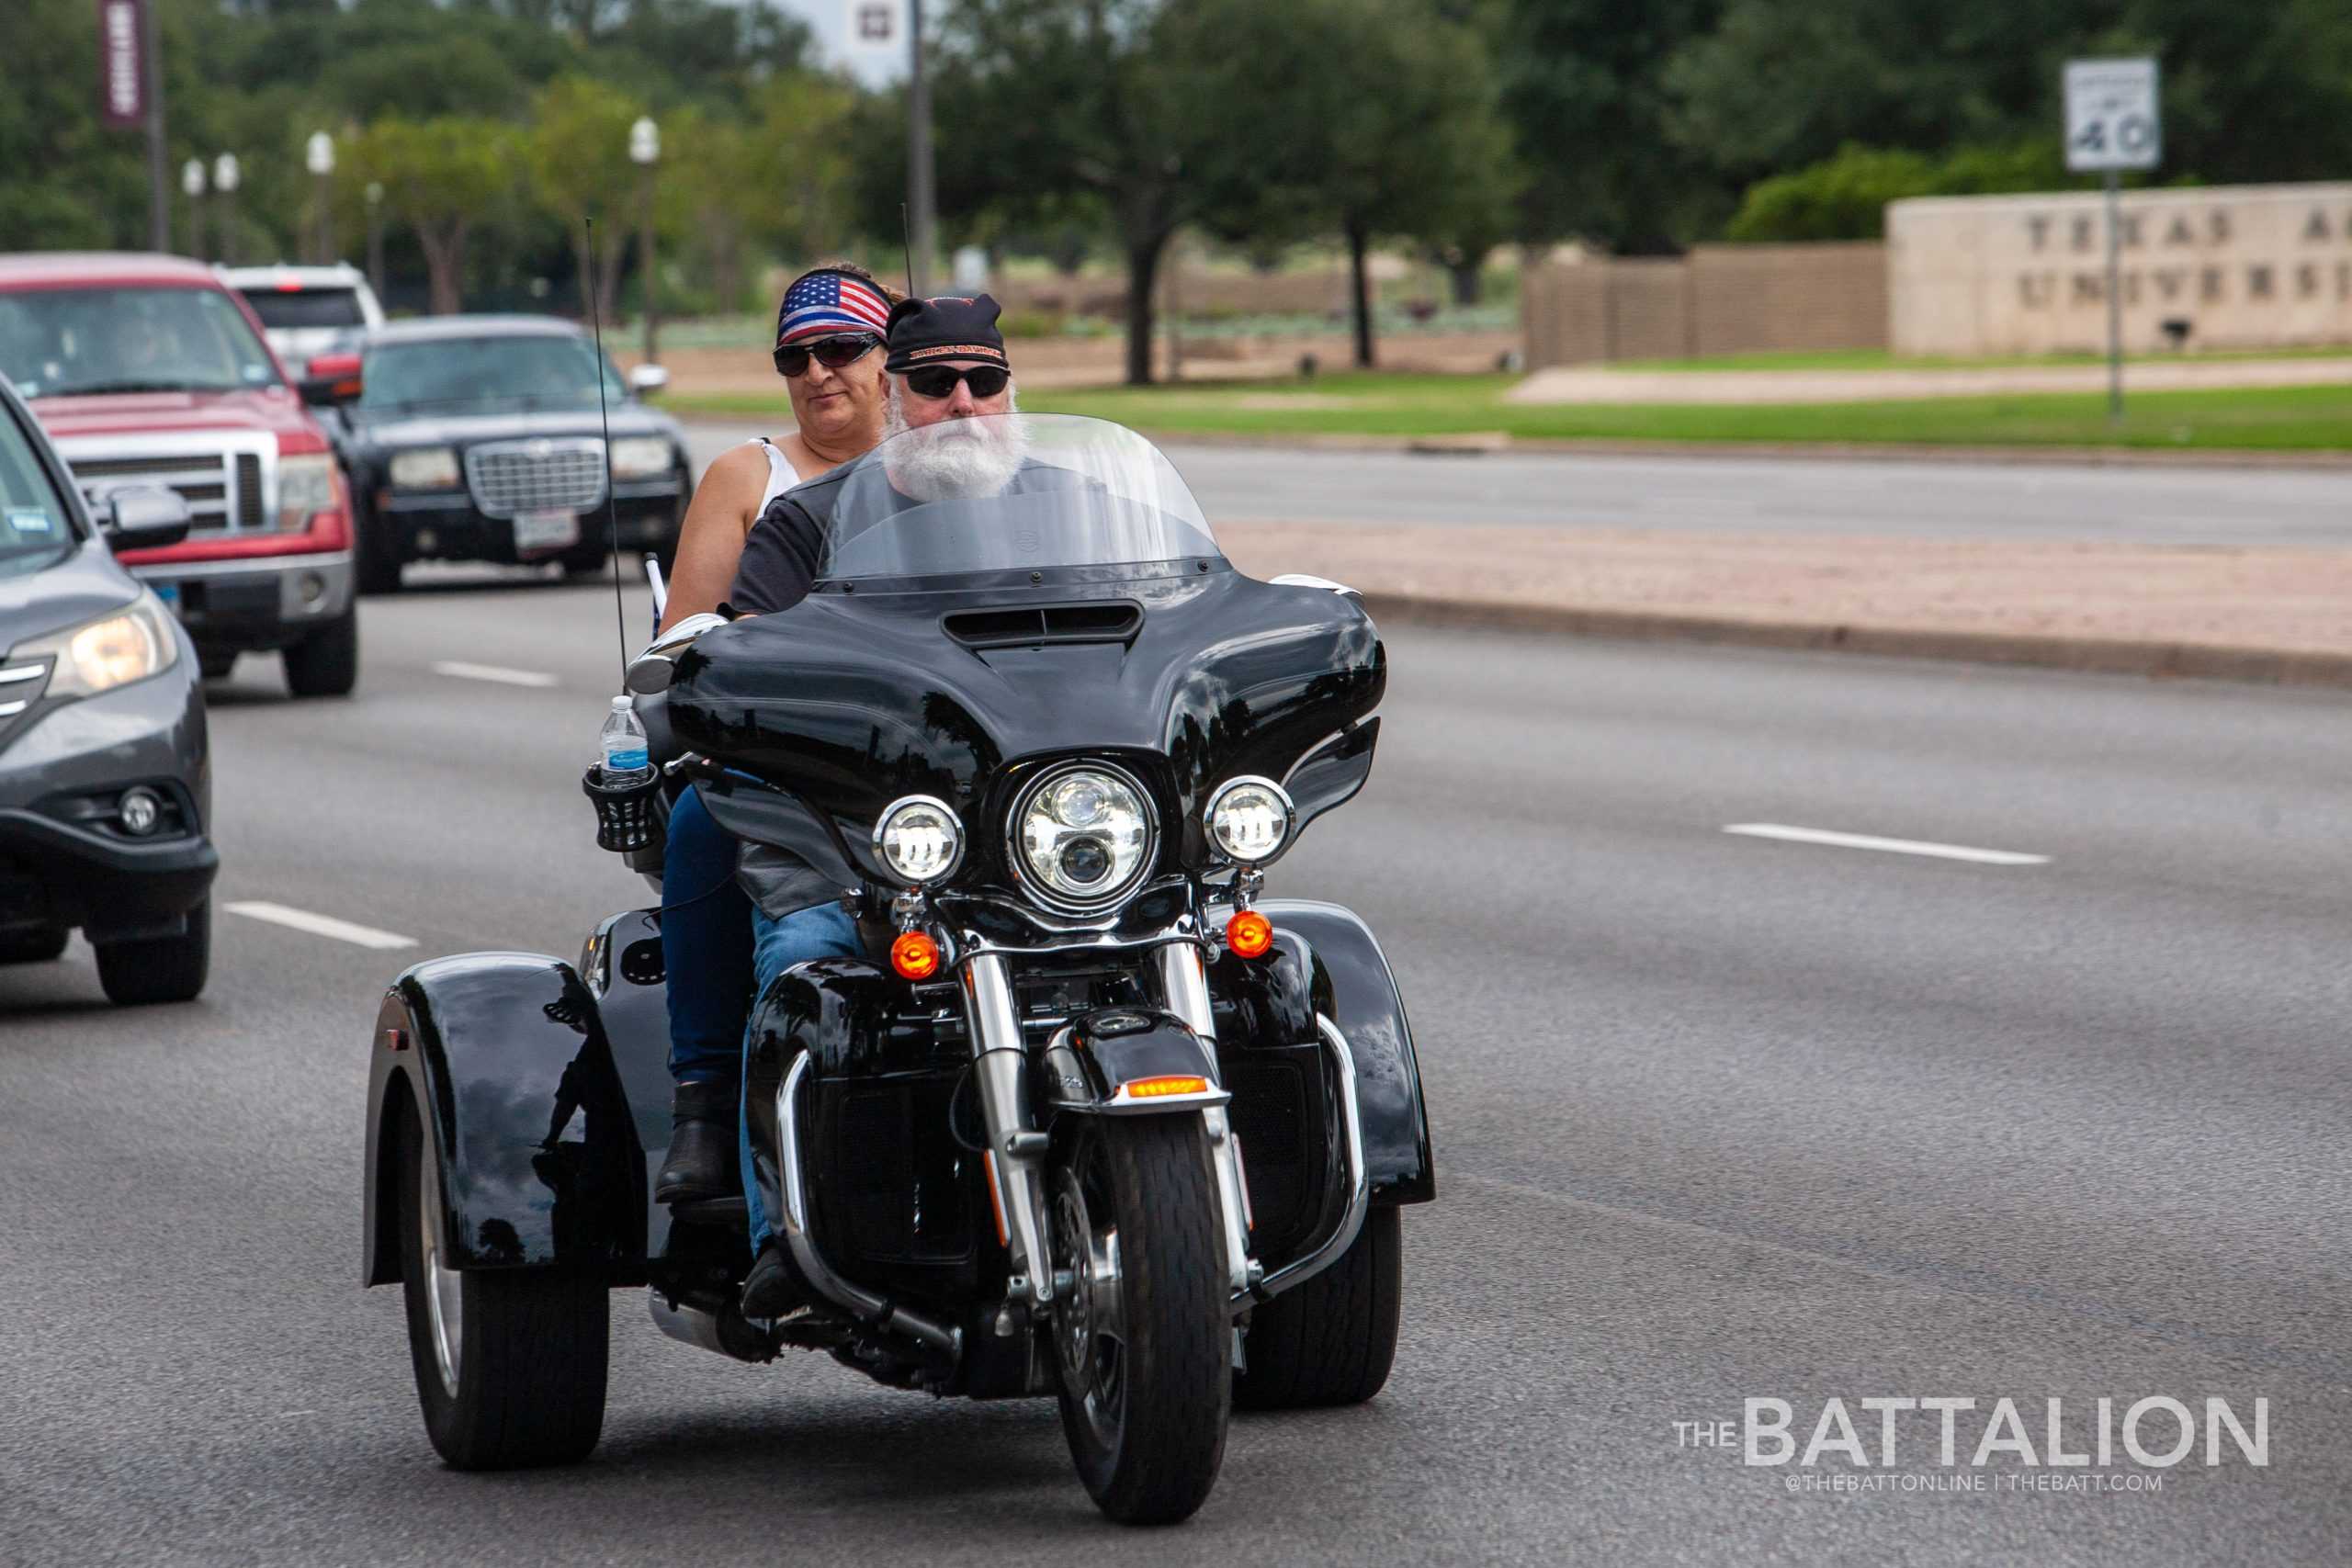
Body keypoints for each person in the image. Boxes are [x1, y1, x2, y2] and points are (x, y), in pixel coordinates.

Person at [723, 293, 1017, 1313]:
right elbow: (740, 667)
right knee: (800, 956)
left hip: (1027, 839)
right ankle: (784, 1243)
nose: (963, 403)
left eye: (985, 380)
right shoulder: (809, 521)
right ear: (897, 394)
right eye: (935, 383)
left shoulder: (1066, 503)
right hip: (854, 839)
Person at [650, 265, 900, 1205]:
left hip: (934, 764)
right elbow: (682, 646)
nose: (818, 371)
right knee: (700, 820)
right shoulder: (748, 475)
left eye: (842, 349)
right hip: (786, 760)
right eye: (796, 356)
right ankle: (705, 1106)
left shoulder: (943, 462)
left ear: (888, 362)